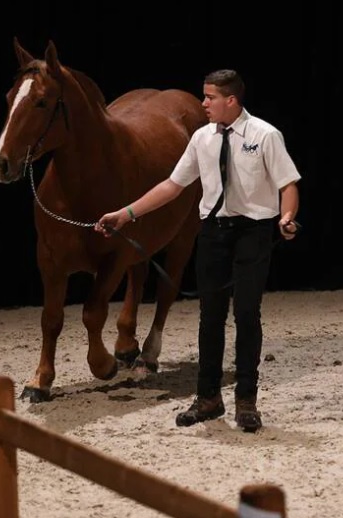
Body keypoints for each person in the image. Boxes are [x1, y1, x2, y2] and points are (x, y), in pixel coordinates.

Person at [95, 69, 300, 433]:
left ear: (231, 101)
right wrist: (125, 214)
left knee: (247, 315)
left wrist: (286, 217)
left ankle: (246, 402)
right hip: (214, 233)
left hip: (252, 232)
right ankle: (208, 399)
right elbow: (172, 186)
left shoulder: (266, 135)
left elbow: (288, 184)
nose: (203, 103)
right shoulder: (201, 139)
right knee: (210, 318)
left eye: (210, 97)